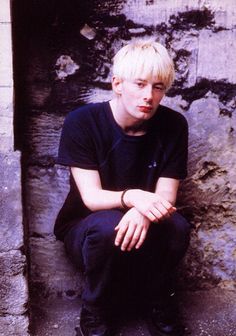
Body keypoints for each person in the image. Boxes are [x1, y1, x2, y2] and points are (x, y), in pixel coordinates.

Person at [54, 38, 191, 336]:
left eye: (158, 87)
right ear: (117, 84)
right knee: (107, 226)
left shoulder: (174, 125)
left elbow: (166, 197)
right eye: (139, 84)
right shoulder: (82, 122)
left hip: (147, 225)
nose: (149, 96)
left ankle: (159, 299)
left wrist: (143, 210)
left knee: (177, 227)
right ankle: (95, 309)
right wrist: (134, 197)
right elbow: (91, 198)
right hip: (88, 230)